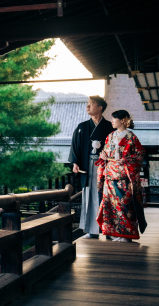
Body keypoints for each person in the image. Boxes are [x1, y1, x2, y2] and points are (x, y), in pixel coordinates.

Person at [96, 109, 146, 242]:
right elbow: (105, 151)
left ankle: (127, 235)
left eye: (114, 119)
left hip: (125, 177)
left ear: (123, 120)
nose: (112, 121)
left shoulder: (131, 137)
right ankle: (115, 233)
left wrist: (127, 159)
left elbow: (140, 155)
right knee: (110, 206)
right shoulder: (110, 136)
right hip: (110, 175)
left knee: (125, 205)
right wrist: (103, 155)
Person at [68, 95, 113, 238]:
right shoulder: (82, 127)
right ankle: (92, 231)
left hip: (105, 167)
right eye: (88, 104)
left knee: (107, 196)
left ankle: (109, 230)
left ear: (100, 108)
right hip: (88, 167)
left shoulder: (109, 127)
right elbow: (75, 146)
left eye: (91, 104)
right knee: (90, 197)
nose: (87, 106)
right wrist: (75, 162)